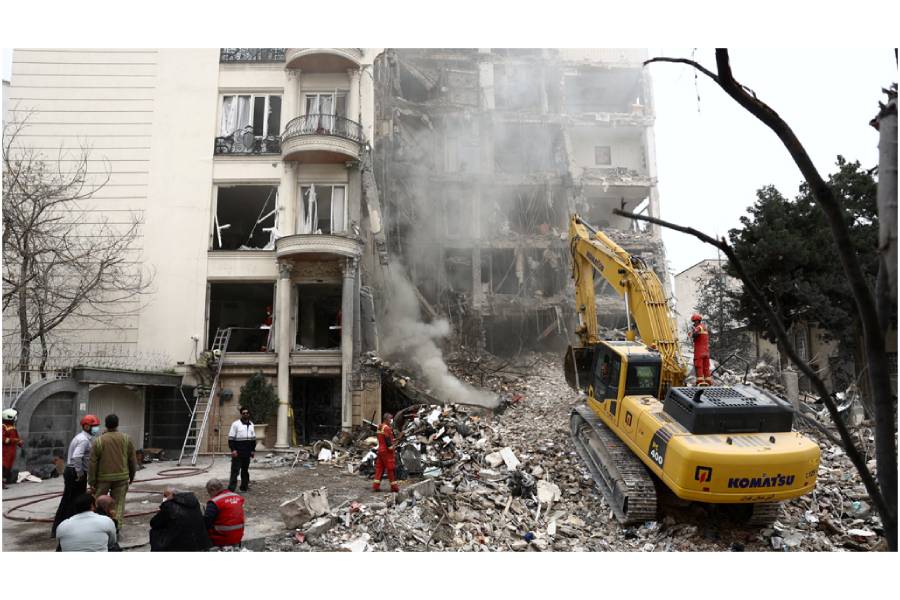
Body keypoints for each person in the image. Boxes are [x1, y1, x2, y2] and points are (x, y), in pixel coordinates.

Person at [52, 414, 100, 537]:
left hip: (73, 471)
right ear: (86, 426)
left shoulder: (83, 438)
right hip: (74, 472)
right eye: (94, 426)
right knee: (70, 500)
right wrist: (79, 473)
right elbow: (77, 457)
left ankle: (67, 527)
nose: (96, 429)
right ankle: (61, 528)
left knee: (72, 500)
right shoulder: (83, 440)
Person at [88, 414, 137, 531]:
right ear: (117, 424)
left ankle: (97, 527)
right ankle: (116, 528)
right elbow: (132, 460)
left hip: (103, 478)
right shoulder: (126, 439)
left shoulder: (99, 441)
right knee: (118, 504)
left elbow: (92, 463)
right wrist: (132, 476)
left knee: (98, 502)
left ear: (106, 424)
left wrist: (92, 481)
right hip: (121, 477)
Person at [149, 486, 212, 552]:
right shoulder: (195, 502)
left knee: (155, 532)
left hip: (180, 543)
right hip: (200, 542)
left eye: (165, 496)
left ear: (172, 495)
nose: (164, 498)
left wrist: (161, 511)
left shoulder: (169, 506)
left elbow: (154, 523)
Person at [204, 478, 245, 548]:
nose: (210, 496)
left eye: (209, 492)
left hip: (221, 540)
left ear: (213, 489)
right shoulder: (237, 497)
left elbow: (206, 522)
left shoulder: (214, 502)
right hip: (238, 537)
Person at [227, 407, 255, 492]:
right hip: (238, 452)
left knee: (245, 470)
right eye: (243, 413)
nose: (245, 414)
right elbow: (231, 438)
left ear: (249, 414)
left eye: (247, 413)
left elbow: (253, 439)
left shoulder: (251, 424)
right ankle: (231, 489)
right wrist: (233, 450)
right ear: (241, 414)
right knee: (235, 471)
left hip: (247, 452)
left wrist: (253, 450)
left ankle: (244, 487)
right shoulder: (235, 424)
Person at [372, 412, 399, 493]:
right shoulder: (387, 428)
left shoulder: (380, 427)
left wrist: (394, 440)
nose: (391, 420)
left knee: (379, 468)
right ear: (386, 419)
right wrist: (391, 448)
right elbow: (387, 440)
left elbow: (383, 439)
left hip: (380, 450)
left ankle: (375, 486)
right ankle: (394, 488)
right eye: (390, 418)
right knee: (390, 469)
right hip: (386, 452)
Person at [2, 408, 24, 488]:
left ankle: (4, 481)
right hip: (5, 452)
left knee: (8, 467)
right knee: (3, 467)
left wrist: (19, 442)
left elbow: (16, 438)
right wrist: (13, 440)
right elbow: (3, 439)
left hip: (11, 452)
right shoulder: (4, 427)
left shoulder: (13, 428)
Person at [691, 313, 712, 386]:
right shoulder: (705, 328)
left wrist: (692, 333)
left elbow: (694, 334)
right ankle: (708, 381)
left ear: (696, 321)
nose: (694, 323)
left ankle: (700, 382)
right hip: (706, 352)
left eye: (694, 322)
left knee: (698, 366)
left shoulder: (698, 327)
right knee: (706, 367)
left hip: (699, 351)